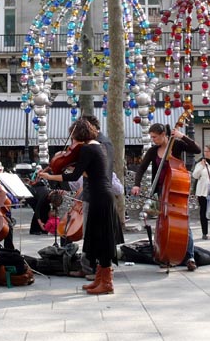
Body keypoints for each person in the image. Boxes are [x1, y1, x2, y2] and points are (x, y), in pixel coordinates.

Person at [39, 119, 120, 294]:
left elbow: (74, 176)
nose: (72, 142)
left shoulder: (88, 148)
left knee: (101, 239)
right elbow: (86, 171)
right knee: (97, 238)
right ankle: (100, 278)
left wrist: (50, 176)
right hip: (102, 196)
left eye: (73, 137)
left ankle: (107, 283)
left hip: (99, 196)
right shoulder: (96, 146)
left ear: (79, 135)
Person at [130, 122, 200, 271]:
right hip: (162, 189)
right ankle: (165, 254)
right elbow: (142, 167)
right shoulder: (153, 150)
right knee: (163, 223)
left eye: (155, 137)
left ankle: (190, 256)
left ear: (163, 135)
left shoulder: (178, 145)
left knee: (182, 221)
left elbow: (197, 149)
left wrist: (183, 136)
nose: (153, 140)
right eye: (151, 137)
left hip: (177, 188)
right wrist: (136, 184)